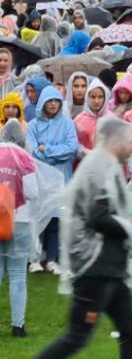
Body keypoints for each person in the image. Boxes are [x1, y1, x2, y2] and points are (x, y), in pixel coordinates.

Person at [15, 118, 132, 359]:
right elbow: (97, 217)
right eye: (131, 143)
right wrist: (130, 230)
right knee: (76, 337)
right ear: (116, 140)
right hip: (94, 270)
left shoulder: (108, 165)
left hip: (110, 270)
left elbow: (116, 208)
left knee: (131, 329)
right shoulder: (99, 167)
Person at [27, 85, 78, 273]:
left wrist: (46, 150)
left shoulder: (67, 123)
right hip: (40, 177)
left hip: (62, 178)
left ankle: (52, 258)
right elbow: (31, 150)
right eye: (50, 101)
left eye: (57, 101)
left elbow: (71, 148)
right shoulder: (33, 125)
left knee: (56, 219)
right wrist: (53, 153)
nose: (54, 104)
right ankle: (35, 257)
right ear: (43, 103)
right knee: (38, 218)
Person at [0, 139, 40, 337]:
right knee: (17, 274)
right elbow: (32, 192)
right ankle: (18, 326)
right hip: (20, 219)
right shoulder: (25, 157)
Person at [73, 79, 109, 152]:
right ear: (87, 97)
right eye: (93, 97)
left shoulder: (112, 119)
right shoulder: (78, 120)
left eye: (100, 97)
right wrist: (83, 151)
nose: (96, 101)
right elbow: (74, 142)